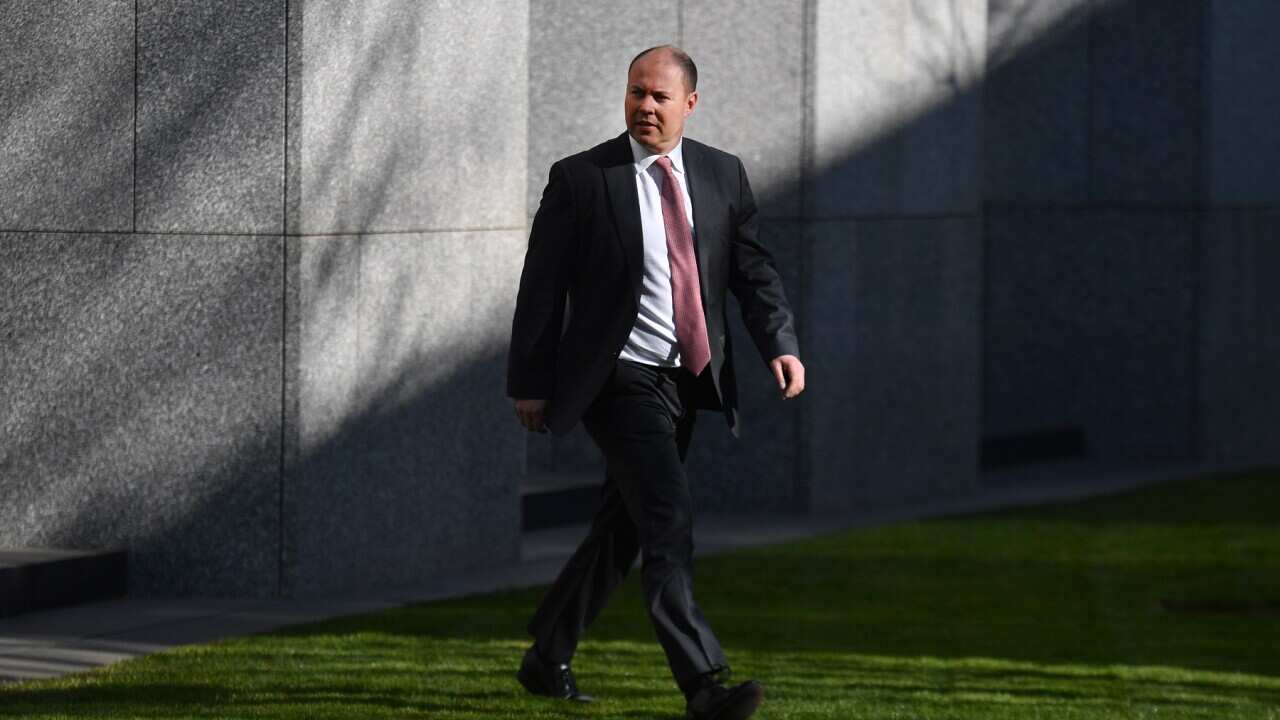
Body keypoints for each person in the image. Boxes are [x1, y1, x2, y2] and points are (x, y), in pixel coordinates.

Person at [506, 44, 804, 720]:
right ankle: (704, 685)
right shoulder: (583, 179)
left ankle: (545, 654)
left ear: (689, 104)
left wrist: (778, 344)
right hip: (615, 380)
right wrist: (530, 378)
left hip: (686, 382)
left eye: (659, 96)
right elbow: (541, 287)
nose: (644, 105)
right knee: (668, 516)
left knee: (623, 526)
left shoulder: (722, 175)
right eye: (636, 92)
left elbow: (752, 274)